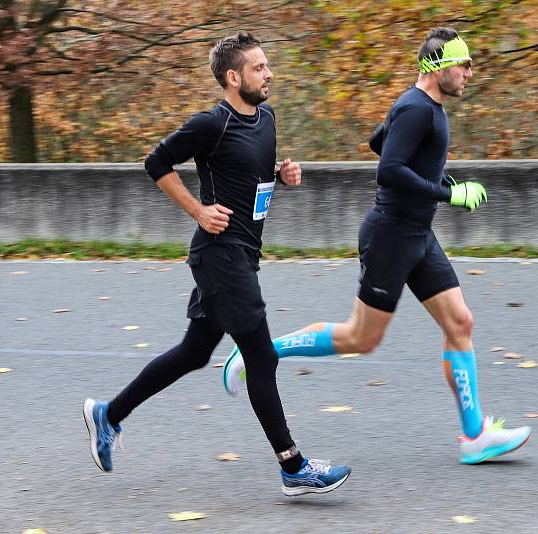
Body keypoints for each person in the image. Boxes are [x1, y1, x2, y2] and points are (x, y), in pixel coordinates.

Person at [223, 27, 531, 465]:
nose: (469, 71)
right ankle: (258, 352)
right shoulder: (416, 109)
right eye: (463, 63)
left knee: (461, 322)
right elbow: (388, 169)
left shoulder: (423, 108)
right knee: (361, 338)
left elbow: (378, 142)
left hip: (417, 234)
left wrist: (440, 180)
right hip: (391, 236)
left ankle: (475, 435)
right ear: (437, 66)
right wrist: (450, 194)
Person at [82, 31, 350, 496]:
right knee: (262, 357)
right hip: (219, 256)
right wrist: (198, 211)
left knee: (194, 352)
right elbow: (157, 162)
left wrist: (281, 177)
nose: (269, 74)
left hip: (243, 254)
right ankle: (293, 466)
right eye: (259, 67)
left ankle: (109, 414)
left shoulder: (266, 118)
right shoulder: (212, 123)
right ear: (233, 77)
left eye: (267, 65)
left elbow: (251, 177)